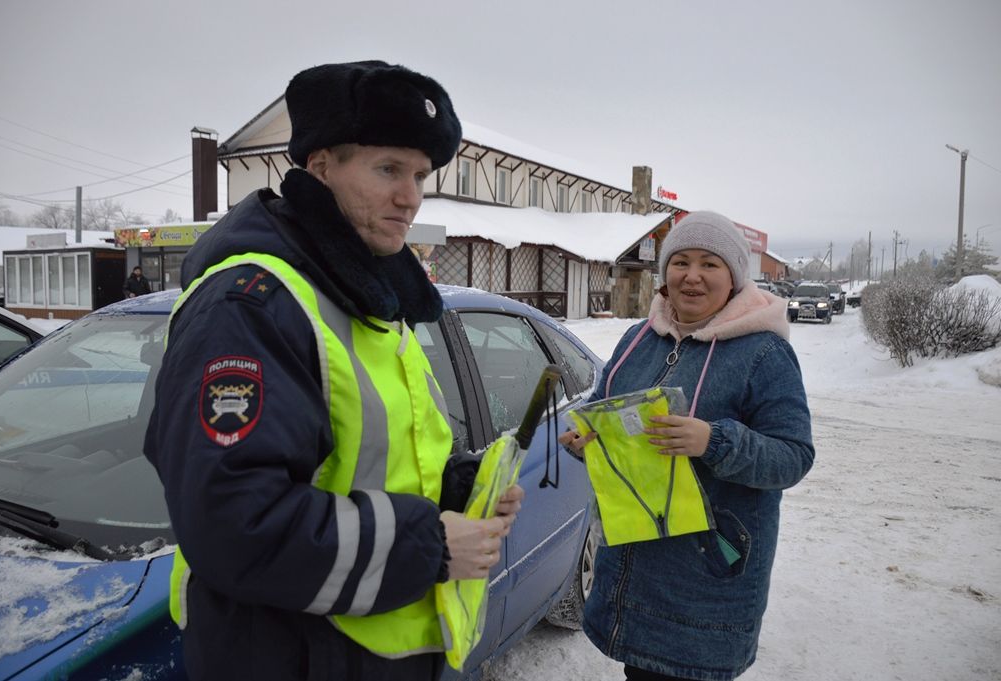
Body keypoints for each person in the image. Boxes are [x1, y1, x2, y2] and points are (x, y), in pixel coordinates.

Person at [143, 60, 523, 681]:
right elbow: (236, 523)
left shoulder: (368, 298)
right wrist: (430, 544)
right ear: (320, 166)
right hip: (294, 655)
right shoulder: (251, 305)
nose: (411, 196)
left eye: (421, 175)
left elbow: (360, 462)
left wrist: (459, 491)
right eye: (387, 170)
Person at [560, 211, 814, 681]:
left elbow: (793, 456)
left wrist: (713, 440)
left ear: (734, 276)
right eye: (680, 262)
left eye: (709, 264)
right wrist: (588, 438)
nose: (691, 276)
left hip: (704, 575)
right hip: (633, 568)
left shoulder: (763, 353)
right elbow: (603, 404)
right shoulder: (639, 339)